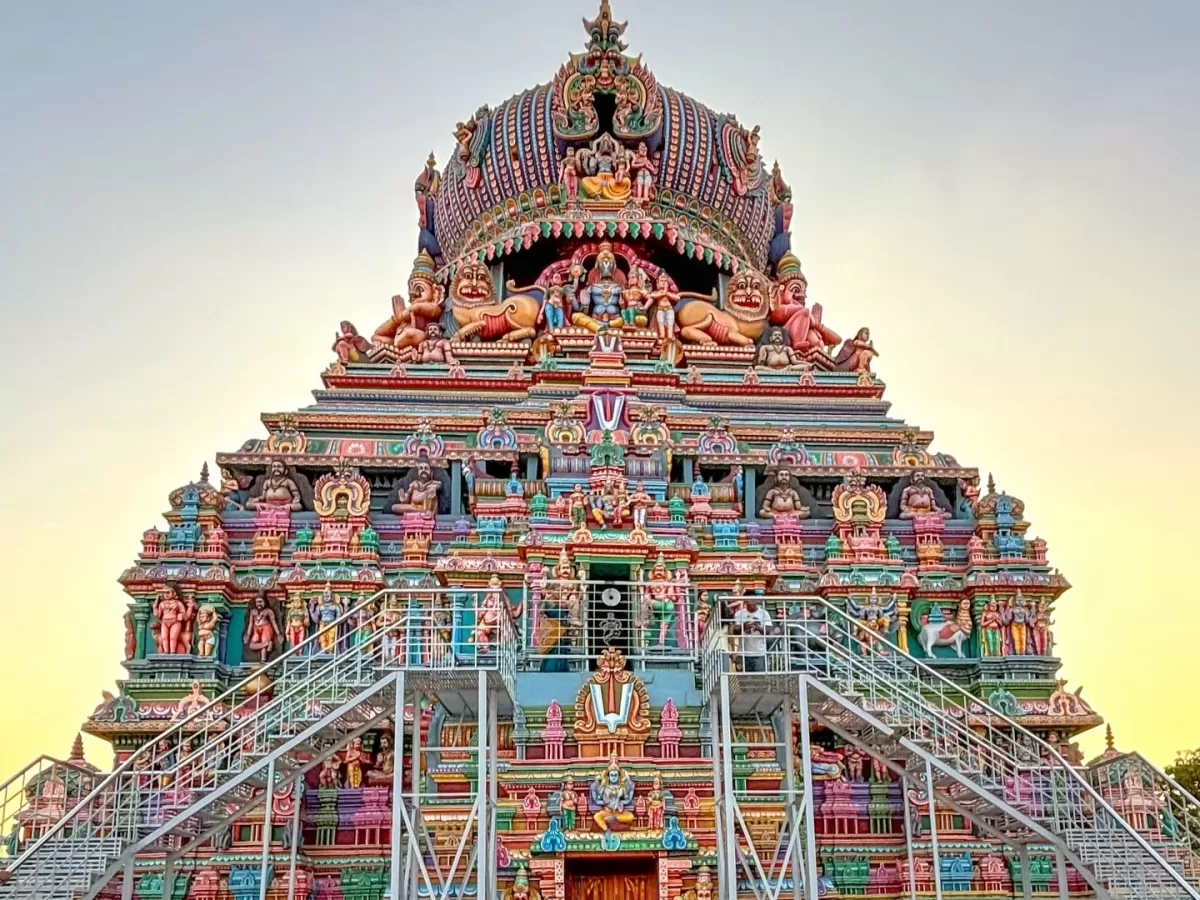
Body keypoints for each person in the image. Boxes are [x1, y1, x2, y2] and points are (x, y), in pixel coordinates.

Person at [733, 596, 772, 673]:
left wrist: (758, 628)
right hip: (743, 652)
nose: (752, 605)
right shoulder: (739, 614)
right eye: (749, 603)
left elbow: (768, 631)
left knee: (759, 678)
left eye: (753, 603)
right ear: (745, 603)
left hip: (759, 652)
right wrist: (744, 626)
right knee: (742, 679)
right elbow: (735, 631)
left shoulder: (764, 613)